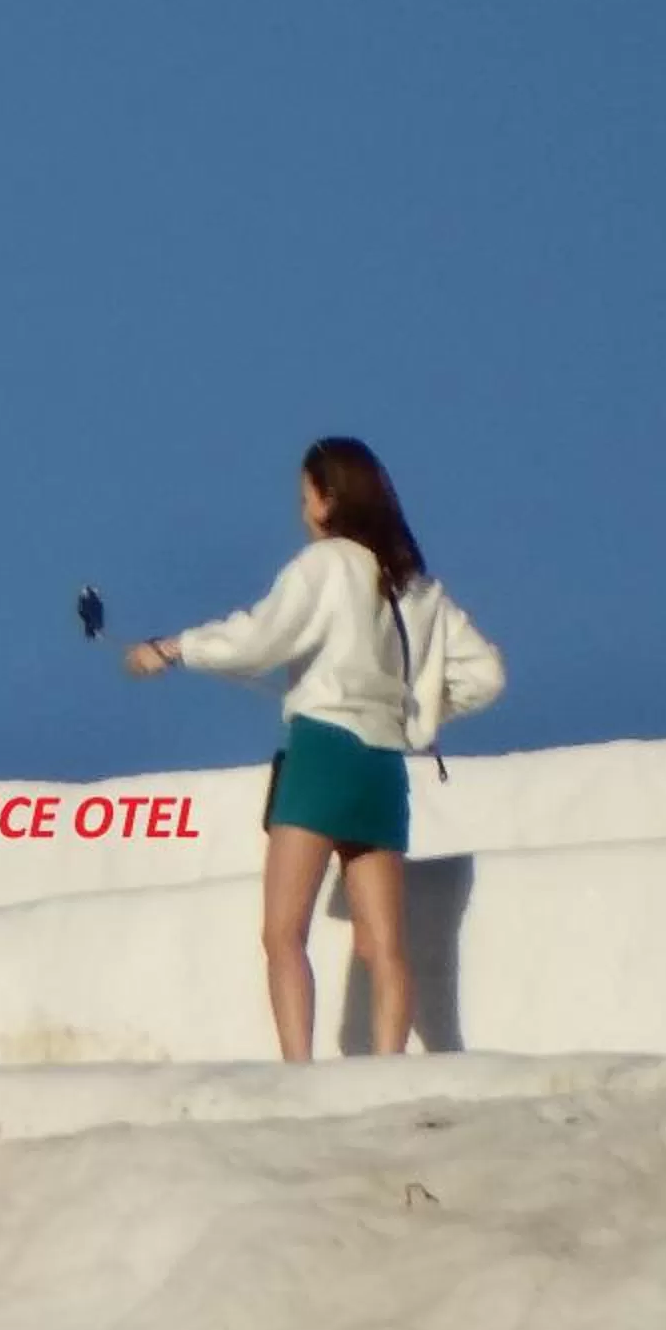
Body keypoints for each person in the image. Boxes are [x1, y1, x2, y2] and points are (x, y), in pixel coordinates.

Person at [127, 436, 504, 1060]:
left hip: (322, 751)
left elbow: (258, 639)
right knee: (384, 945)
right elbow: (486, 674)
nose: (303, 513)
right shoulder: (415, 587)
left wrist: (170, 649)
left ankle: (298, 1071)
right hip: (383, 769)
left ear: (329, 500)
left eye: (306, 498)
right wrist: (419, 711)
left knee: (283, 932)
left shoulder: (327, 564)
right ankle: (389, 1067)